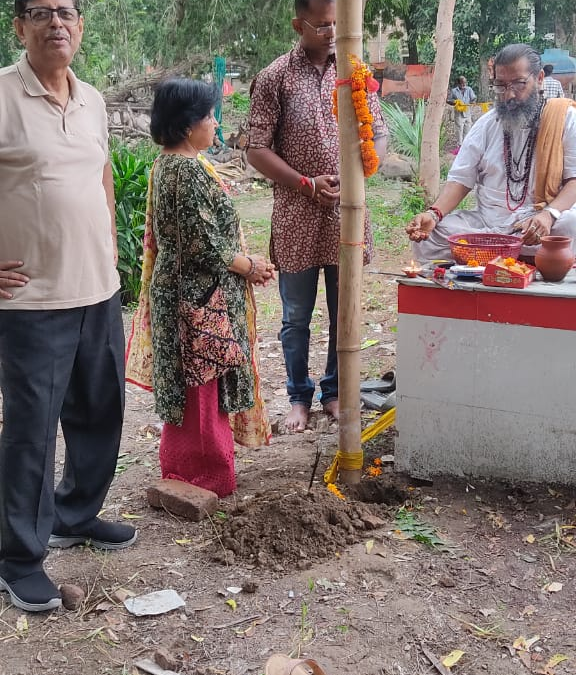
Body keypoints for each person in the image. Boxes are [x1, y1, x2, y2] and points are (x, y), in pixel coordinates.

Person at [0, 0, 136, 613]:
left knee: (100, 409)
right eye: (41, 11)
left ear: (80, 26)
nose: (57, 22)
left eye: (68, 11)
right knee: (31, 432)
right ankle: (19, 559)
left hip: (97, 289)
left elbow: (101, 176)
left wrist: (109, 253)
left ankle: (77, 515)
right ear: (19, 27)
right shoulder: (2, 95)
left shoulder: (94, 100)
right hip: (31, 300)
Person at [126, 79, 273, 498]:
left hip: (187, 292)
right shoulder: (186, 170)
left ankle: (185, 469)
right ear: (187, 126)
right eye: (209, 116)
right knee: (202, 385)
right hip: (198, 299)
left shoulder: (169, 164)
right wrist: (252, 267)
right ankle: (203, 476)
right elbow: (205, 244)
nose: (215, 123)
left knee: (196, 386)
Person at [247, 0, 387, 433]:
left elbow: (378, 134)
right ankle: (297, 395)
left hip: (346, 215)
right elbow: (255, 148)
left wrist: (357, 178)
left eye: (336, 24)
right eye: (323, 25)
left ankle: (333, 391)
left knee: (342, 308)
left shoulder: (356, 73)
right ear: (298, 25)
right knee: (295, 317)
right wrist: (306, 183)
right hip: (297, 215)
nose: (331, 33)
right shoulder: (275, 77)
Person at [407, 44, 576, 263]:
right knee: (433, 236)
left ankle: (496, 259)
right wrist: (434, 214)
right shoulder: (487, 124)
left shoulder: (566, 119)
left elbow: (574, 180)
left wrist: (548, 214)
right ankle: (518, 258)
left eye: (519, 83)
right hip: (488, 226)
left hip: (540, 222)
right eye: (500, 85)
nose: (509, 94)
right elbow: (460, 179)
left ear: (540, 78)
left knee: (570, 226)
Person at [448, 76, 477, 147]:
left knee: (468, 128)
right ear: (458, 84)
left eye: (465, 83)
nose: (464, 85)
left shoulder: (469, 89)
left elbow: (473, 98)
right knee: (459, 129)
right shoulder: (454, 91)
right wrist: (456, 102)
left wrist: (473, 101)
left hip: (467, 112)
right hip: (459, 113)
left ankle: (466, 144)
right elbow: (448, 100)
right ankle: (459, 145)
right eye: (462, 83)